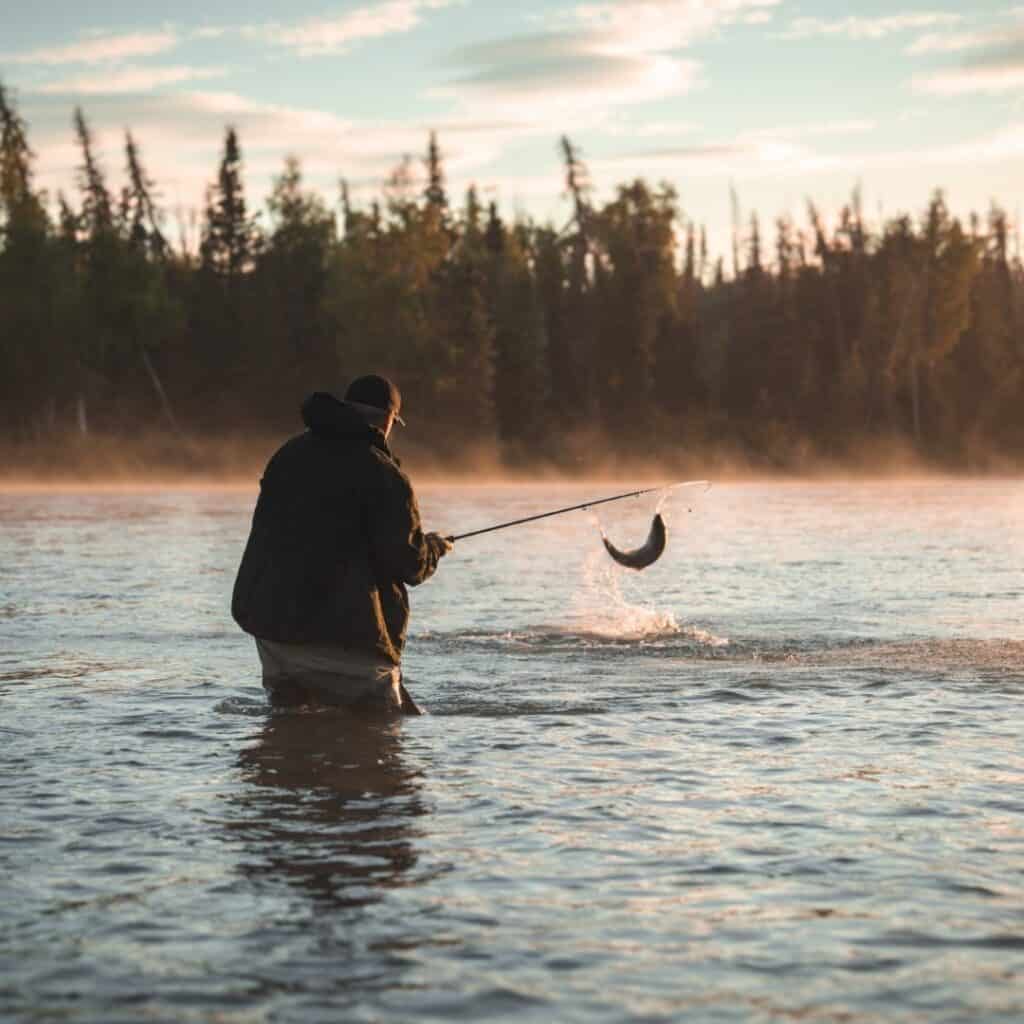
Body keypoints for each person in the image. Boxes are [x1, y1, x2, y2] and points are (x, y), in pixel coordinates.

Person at [231, 374, 452, 713]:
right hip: (349, 637)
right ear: (388, 420)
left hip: (274, 630)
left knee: (288, 730)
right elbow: (409, 563)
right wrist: (433, 547)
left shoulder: (288, 455)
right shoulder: (384, 473)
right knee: (383, 734)